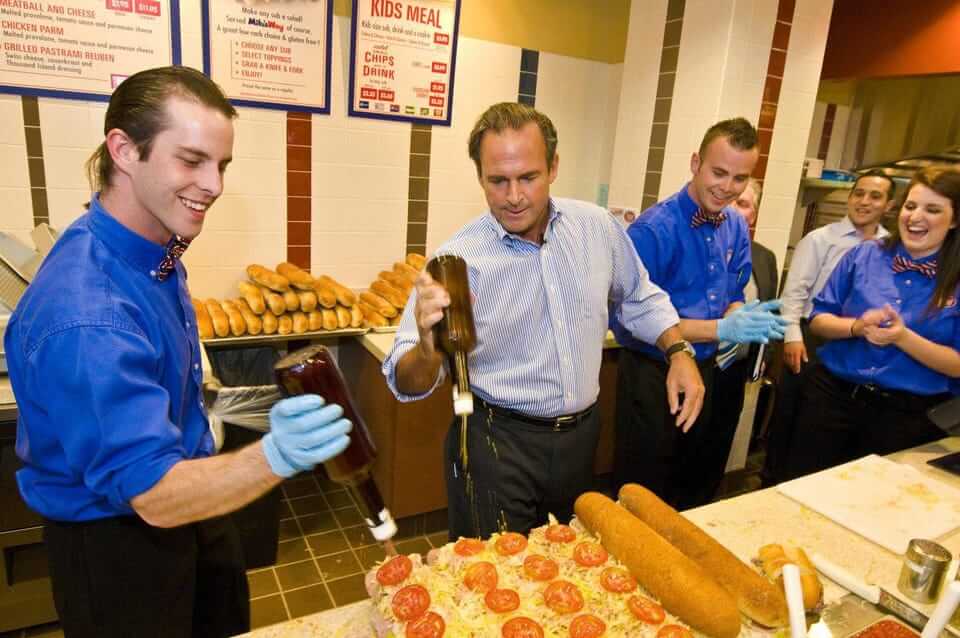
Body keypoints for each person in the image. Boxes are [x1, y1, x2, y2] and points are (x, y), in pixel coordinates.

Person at [4, 66, 352, 638]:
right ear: (124, 149)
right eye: (191, 161)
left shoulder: (154, 249)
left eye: (222, 165)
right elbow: (153, 495)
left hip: (196, 506)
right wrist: (275, 456)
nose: (213, 184)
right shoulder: (88, 312)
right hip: (121, 545)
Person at [381, 102, 704, 540]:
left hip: (579, 440)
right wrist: (426, 345)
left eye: (528, 177)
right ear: (480, 177)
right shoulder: (457, 260)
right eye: (498, 181)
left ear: (553, 166)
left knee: (565, 569)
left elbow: (640, 296)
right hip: (496, 445)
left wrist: (678, 350)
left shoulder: (597, 228)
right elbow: (407, 381)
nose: (514, 196)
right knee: (492, 577)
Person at [610, 118, 788, 510]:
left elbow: (734, 290)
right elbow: (629, 318)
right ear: (695, 163)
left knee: (695, 482)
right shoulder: (653, 230)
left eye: (740, 178)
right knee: (645, 491)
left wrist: (742, 315)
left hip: (708, 373)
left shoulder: (736, 227)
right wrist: (722, 327)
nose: (727, 187)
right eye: (718, 172)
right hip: (652, 374)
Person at [783, 167, 960, 479]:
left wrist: (903, 338)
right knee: (804, 490)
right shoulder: (864, 255)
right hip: (831, 400)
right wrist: (856, 327)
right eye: (911, 206)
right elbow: (819, 319)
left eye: (932, 209)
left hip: (908, 418)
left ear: (955, 219)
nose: (916, 217)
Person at [762, 170, 894, 485]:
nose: (864, 201)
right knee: (792, 419)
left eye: (875, 196)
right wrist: (793, 338)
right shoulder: (820, 239)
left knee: (829, 431)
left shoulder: (891, 248)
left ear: (888, 205)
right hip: (811, 338)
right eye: (858, 193)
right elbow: (794, 294)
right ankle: (773, 483)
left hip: (860, 345)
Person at [700, 178, 779, 500]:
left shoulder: (765, 258)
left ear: (754, 215)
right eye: (732, 201)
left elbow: (769, 311)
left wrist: (761, 365)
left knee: (717, 452)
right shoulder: (701, 249)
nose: (735, 209)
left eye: (744, 204)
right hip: (699, 366)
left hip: (735, 373)